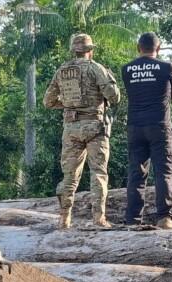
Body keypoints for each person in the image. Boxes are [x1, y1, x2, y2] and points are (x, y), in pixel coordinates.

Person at [44, 33, 121, 229]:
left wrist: (69, 106)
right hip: (95, 126)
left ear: (74, 50)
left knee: (69, 176)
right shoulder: (96, 68)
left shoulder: (62, 71)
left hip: (71, 128)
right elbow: (114, 96)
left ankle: (64, 218)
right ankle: (98, 218)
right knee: (98, 173)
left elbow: (48, 101)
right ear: (90, 50)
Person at [121, 32, 172, 230]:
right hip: (159, 126)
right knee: (163, 172)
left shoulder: (127, 69)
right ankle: (164, 218)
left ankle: (133, 220)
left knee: (136, 174)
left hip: (135, 126)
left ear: (139, 47)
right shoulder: (167, 67)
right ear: (159, 47)